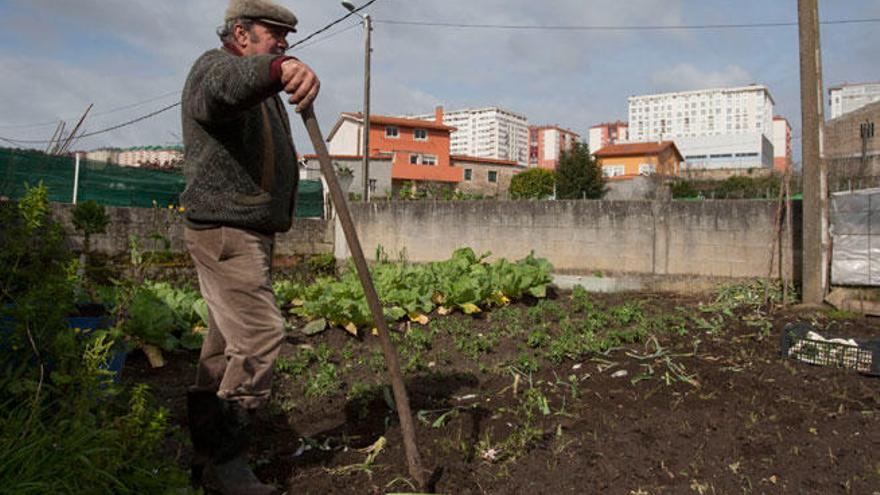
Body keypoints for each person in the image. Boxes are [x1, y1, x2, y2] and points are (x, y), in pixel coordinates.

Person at [180, 0, 320, 493]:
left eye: (287, 36)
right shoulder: (215, 69)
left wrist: (275, 74)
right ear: (241, 35)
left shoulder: (260, 89)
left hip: (245, 233)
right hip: (226, 233)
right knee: (261, 335)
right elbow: (222, 91)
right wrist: (279, 67)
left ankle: (203, 454)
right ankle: (226, 465)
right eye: (273, 33)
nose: (283, 41)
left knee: (221, 349)